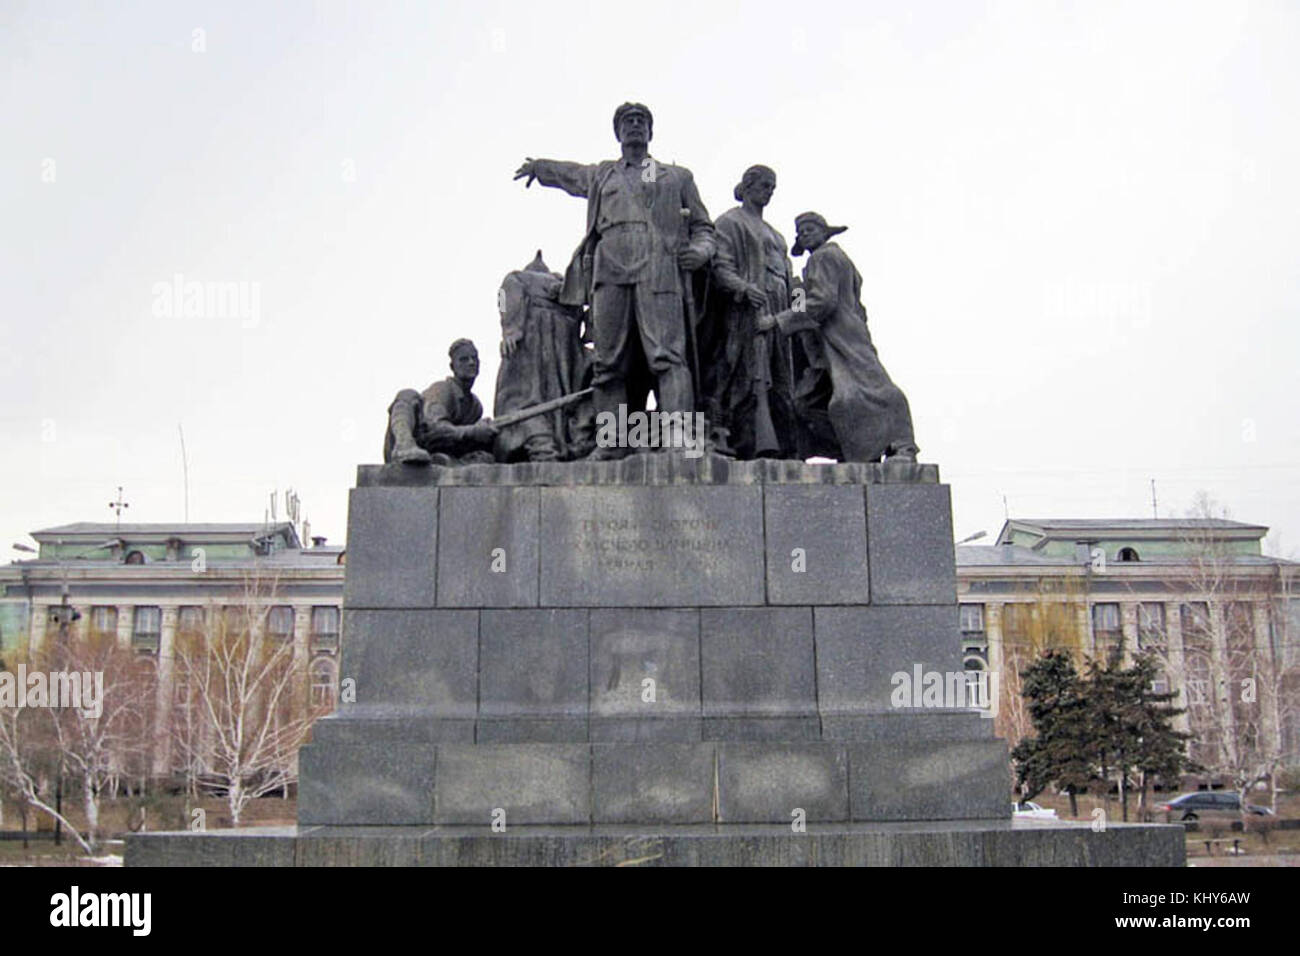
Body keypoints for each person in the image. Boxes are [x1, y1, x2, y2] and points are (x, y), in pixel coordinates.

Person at [514, 103, 715, 459]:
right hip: (609, 269)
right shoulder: (605, 174)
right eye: (627, 121)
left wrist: (699, 251)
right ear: (617, 133)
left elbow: (703, 228)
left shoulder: (671, 175)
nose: (634, 126)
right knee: (608, 363)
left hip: (658, 267)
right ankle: (613, 442)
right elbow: (571, 174)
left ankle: (680, 439)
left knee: (667, 356)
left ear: (651, 132)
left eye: (641, 121)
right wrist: (540, 168)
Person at [758, 213, 919, 463]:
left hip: (843, 337)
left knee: (874, 390)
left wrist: (777, 321)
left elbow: (822, 301)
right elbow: (807, 300)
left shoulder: (826, 256)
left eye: (811, 229)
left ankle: (902, 445)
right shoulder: (815, 264)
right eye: (800, 232)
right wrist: (795, 292)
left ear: (824, 232)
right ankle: (855, 449)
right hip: (823, 347)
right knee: (805, 404)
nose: (805, 234)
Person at [706, 164, 800, 458]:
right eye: (764, 185)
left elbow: (790, 278)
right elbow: (720, 267)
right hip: (746, 310)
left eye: (772, 187)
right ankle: (738, 438)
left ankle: (784, 443)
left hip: (778, 312)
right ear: (747, 186)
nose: (769, 191)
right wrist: (744, 288)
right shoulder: (729, 222)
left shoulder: (778, 235)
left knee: (782, 378)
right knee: (743, 373)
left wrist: (798, 311)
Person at [493, 252, 593, 462]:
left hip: (558, 352)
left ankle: (568, 440)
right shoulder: (522, 279)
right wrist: (511, 329)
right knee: (532, 398)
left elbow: (502, 299)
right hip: (545, 349)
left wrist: (511, 328)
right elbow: (504, 299)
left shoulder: (518, 279)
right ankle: (545, 442)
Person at [384, 339, 497, 465]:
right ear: (452, 366)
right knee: (408, 395)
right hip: (418, 442)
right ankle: (404, 445)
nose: (471, 363)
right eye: (464, 359)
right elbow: (436, 429)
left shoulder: (475, 406)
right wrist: (472, 431)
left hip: (439, 452)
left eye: (474, 358)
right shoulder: (443, 390)